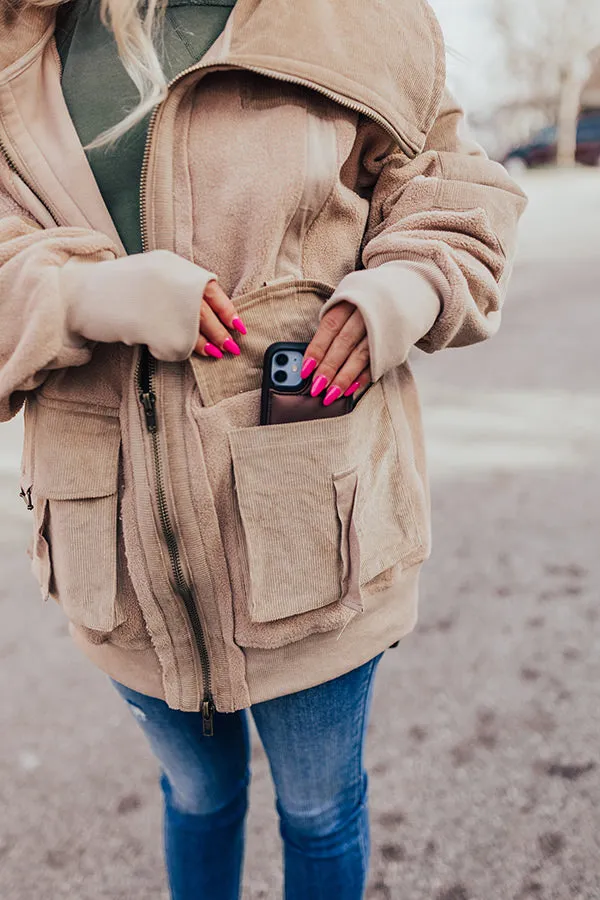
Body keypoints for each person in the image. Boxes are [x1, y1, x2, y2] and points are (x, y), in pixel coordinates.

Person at [0, 0, 527, 896]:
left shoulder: (357, 19)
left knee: (321, 808)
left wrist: (405, 288)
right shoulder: (21, 41)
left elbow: (456, 191)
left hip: (309, 522)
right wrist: (86, 298)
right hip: (117, 554)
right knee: (196, 796)